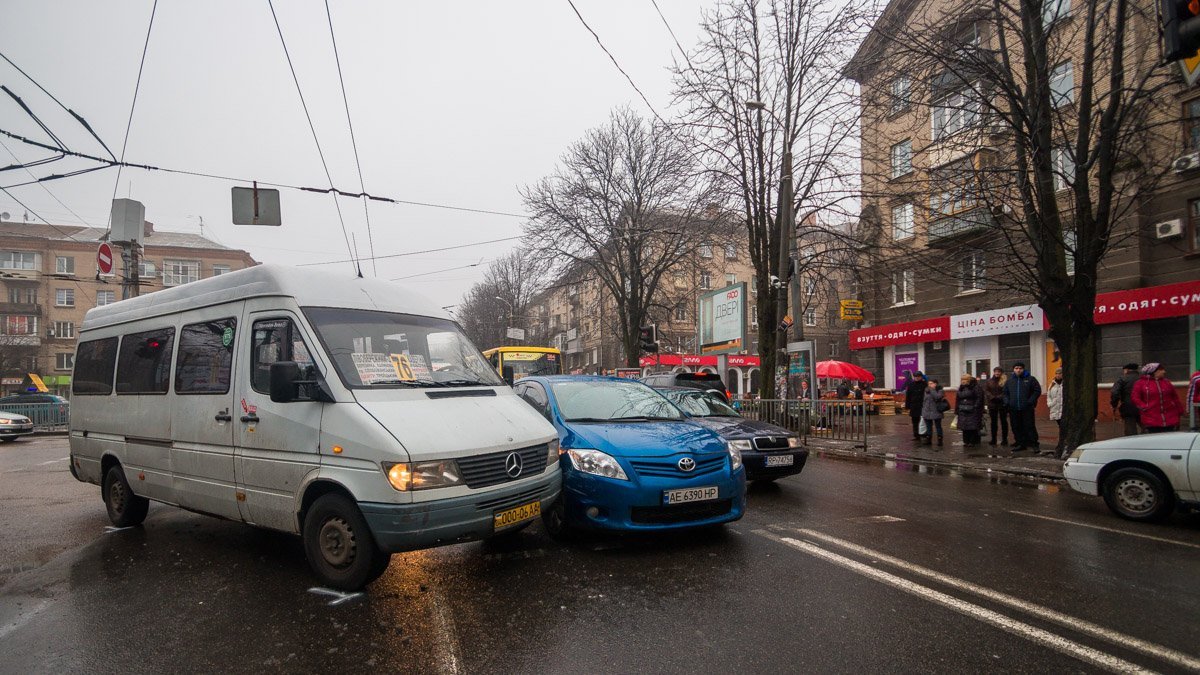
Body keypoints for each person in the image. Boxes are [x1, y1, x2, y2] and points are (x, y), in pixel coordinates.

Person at [1131, 363, 1183, 433]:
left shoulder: (1166, 382)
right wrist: (1144, 407)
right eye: (1161, 370)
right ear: (1154, 371)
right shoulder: (1140, 383)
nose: (1164, 371)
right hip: (1151, 419)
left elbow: (1175, 397)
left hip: (1170, 418)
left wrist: (1180, 410)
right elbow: (1135, 398)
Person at [1003, 362, 1041, 454]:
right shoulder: (1010, 381)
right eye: (1016, 368)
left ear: (1023, 369)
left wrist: (1030, 401)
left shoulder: (1030, 379)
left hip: (1027, 408)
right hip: (1014, 408)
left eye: (1020, 368)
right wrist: (1007, 402)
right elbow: (1005, 393)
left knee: (1029, 426)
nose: (1018, 370)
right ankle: (1020, 443)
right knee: (1016, 427)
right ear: (1013, 370)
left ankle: (1034, 444)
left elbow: (1037, 390)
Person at [1110, 363, 1141, 436]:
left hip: (1128, 407)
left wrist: (1114, 405)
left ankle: (1132, 442)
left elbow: (1114, 393)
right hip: (1143, 407)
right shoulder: (1143, 378)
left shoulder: (1122, 379)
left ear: (1126, 370)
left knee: (1130, 430)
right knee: (1146, 428)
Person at [955, 373, 985, 447]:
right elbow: (958, 399)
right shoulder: (961, 388)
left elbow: (979, 398)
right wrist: (957, 409)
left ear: (969, 380)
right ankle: (966, 441)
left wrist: (975, 407)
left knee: (972, 427)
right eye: (962, 380)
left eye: (965, 379)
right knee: (964, 427)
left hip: (973, 410)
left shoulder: (975, 387)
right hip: (962, 410)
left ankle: (973, 441)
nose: (963, 381)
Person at [983, 367, 1009, 447]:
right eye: (996, 371)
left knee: (1004, 422)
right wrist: (992, 397)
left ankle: (1004, 439)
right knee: (993, 422)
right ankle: (993, 439)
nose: (997, 373)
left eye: (999, 372)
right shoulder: (989, 381)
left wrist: (999, 397)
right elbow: (986, 390)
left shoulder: (1005, 381)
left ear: (1001, 373)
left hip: (1002, 404)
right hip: (992, 404)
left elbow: (1006, 391)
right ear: (994, 372)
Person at [921, 378, 947, 446]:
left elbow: (937, 397)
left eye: (931, 383)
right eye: (928, 384)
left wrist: (932, 390)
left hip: (936, 411)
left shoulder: (940, 390)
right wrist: (923, 410)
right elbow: (924, 401)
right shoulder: (926, 390)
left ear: (935, 384)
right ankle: (928, 439)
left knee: (938, 426)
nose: (929, 385)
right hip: (927, 411)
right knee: (928, 427)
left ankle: (940, 440)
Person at [1046, 367, 1065, 457]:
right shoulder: (1052, 384)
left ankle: (1063, 443)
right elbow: (1049, 395)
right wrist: (1050, 403)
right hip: (1055, 408)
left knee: (1063, 428)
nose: (1058, 375)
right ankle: (1062, 444)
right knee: (1061, 427)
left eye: (1060, 373)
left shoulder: (1065, 384)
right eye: (1056, 373)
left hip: (1063, 409)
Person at [904, 371, 927, 440]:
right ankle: (916, 435)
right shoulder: (911, 385)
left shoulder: (925, 385)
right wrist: (907, 406)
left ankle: (924, 434)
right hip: (914, 406)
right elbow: (908, 396)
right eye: (915, 377)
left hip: (923, 405)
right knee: (915, 421)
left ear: (921, 377)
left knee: (924, 421)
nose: (917, 378)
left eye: (918, 376)